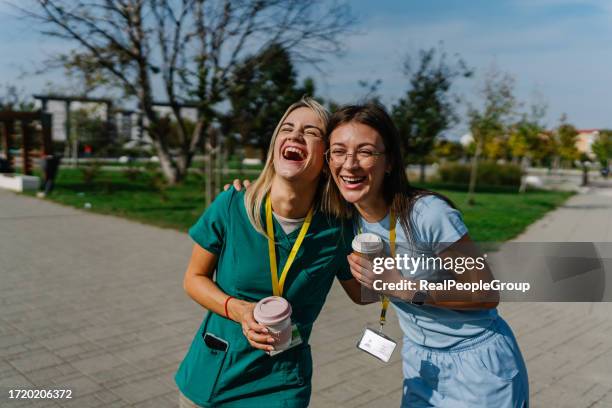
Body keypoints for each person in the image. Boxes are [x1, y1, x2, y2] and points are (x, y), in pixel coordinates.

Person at [326, 103, 529, 407]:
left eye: (365, 152)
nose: (350, 164)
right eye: (339, 152)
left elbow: (486, 292)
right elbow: (364, 295)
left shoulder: (428, 213)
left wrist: (409, 290)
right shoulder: (347, 221)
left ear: (390, 161)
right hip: (419, 362)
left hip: (476, 362)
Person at [175, 97, 365, 408]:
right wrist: (239, 310)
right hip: (213, 378)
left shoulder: (338, 229)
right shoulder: (232, 205)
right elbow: (193, 279)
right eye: (287, 128)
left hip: (282, 386)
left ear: (328, 157)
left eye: (310, 132)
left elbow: (363, 293)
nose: (294, 135)